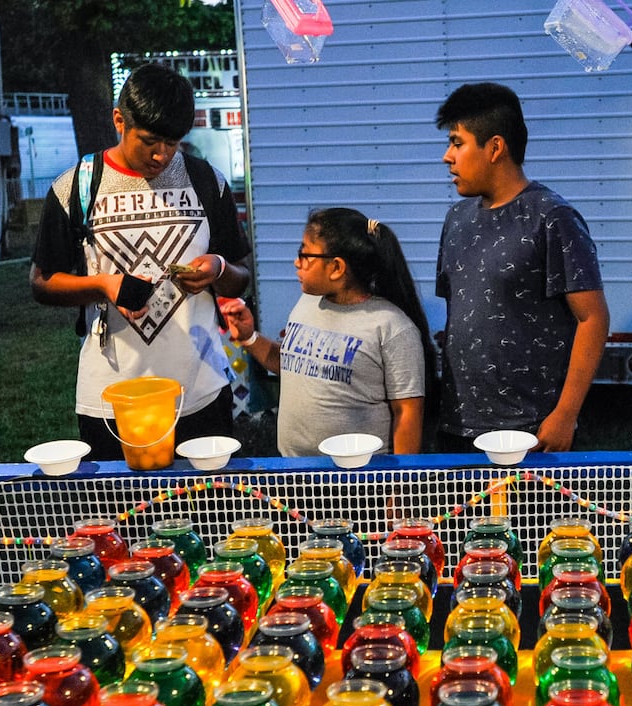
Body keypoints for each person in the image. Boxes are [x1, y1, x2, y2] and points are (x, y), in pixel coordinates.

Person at [31, 62, 252, 459]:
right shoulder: (77, 186)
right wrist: (103, 285)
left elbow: (240, 274)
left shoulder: (205, 181)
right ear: (119, 120)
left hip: (199, 388)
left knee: (207, 512)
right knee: (124, 514)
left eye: (173, 142)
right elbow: (42, 282)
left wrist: (218, 269)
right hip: (113, 397)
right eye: (150, 140)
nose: (161, 155)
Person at [434, 82, 609, 453]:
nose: (448, 156)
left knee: (532, 515)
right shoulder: (456, 219)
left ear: (495, 147)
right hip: (457, 427)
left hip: (528, 431)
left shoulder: (551, 216)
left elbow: (592, 319)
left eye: (457, 142)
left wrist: (565, 415)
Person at [222, 209, 429, 456]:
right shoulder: (307, 304)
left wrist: (399, 486)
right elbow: (294, 364)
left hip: (360, 478)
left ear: (336, 267)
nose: (296, 262)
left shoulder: (391, 327)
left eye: (304, 253)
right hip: (296, 473)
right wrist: (249, 337)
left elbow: (407, 412)